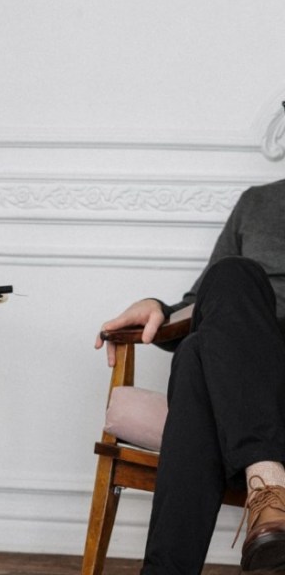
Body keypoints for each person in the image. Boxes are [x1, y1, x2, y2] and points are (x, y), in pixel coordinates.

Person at [96, 179, 285, 574]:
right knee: (229, 278)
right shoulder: (258, 202)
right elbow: (203, 304)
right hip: (242, 372)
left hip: (259, 379)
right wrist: (159, 310)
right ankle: (268, 485)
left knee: (195, 357)